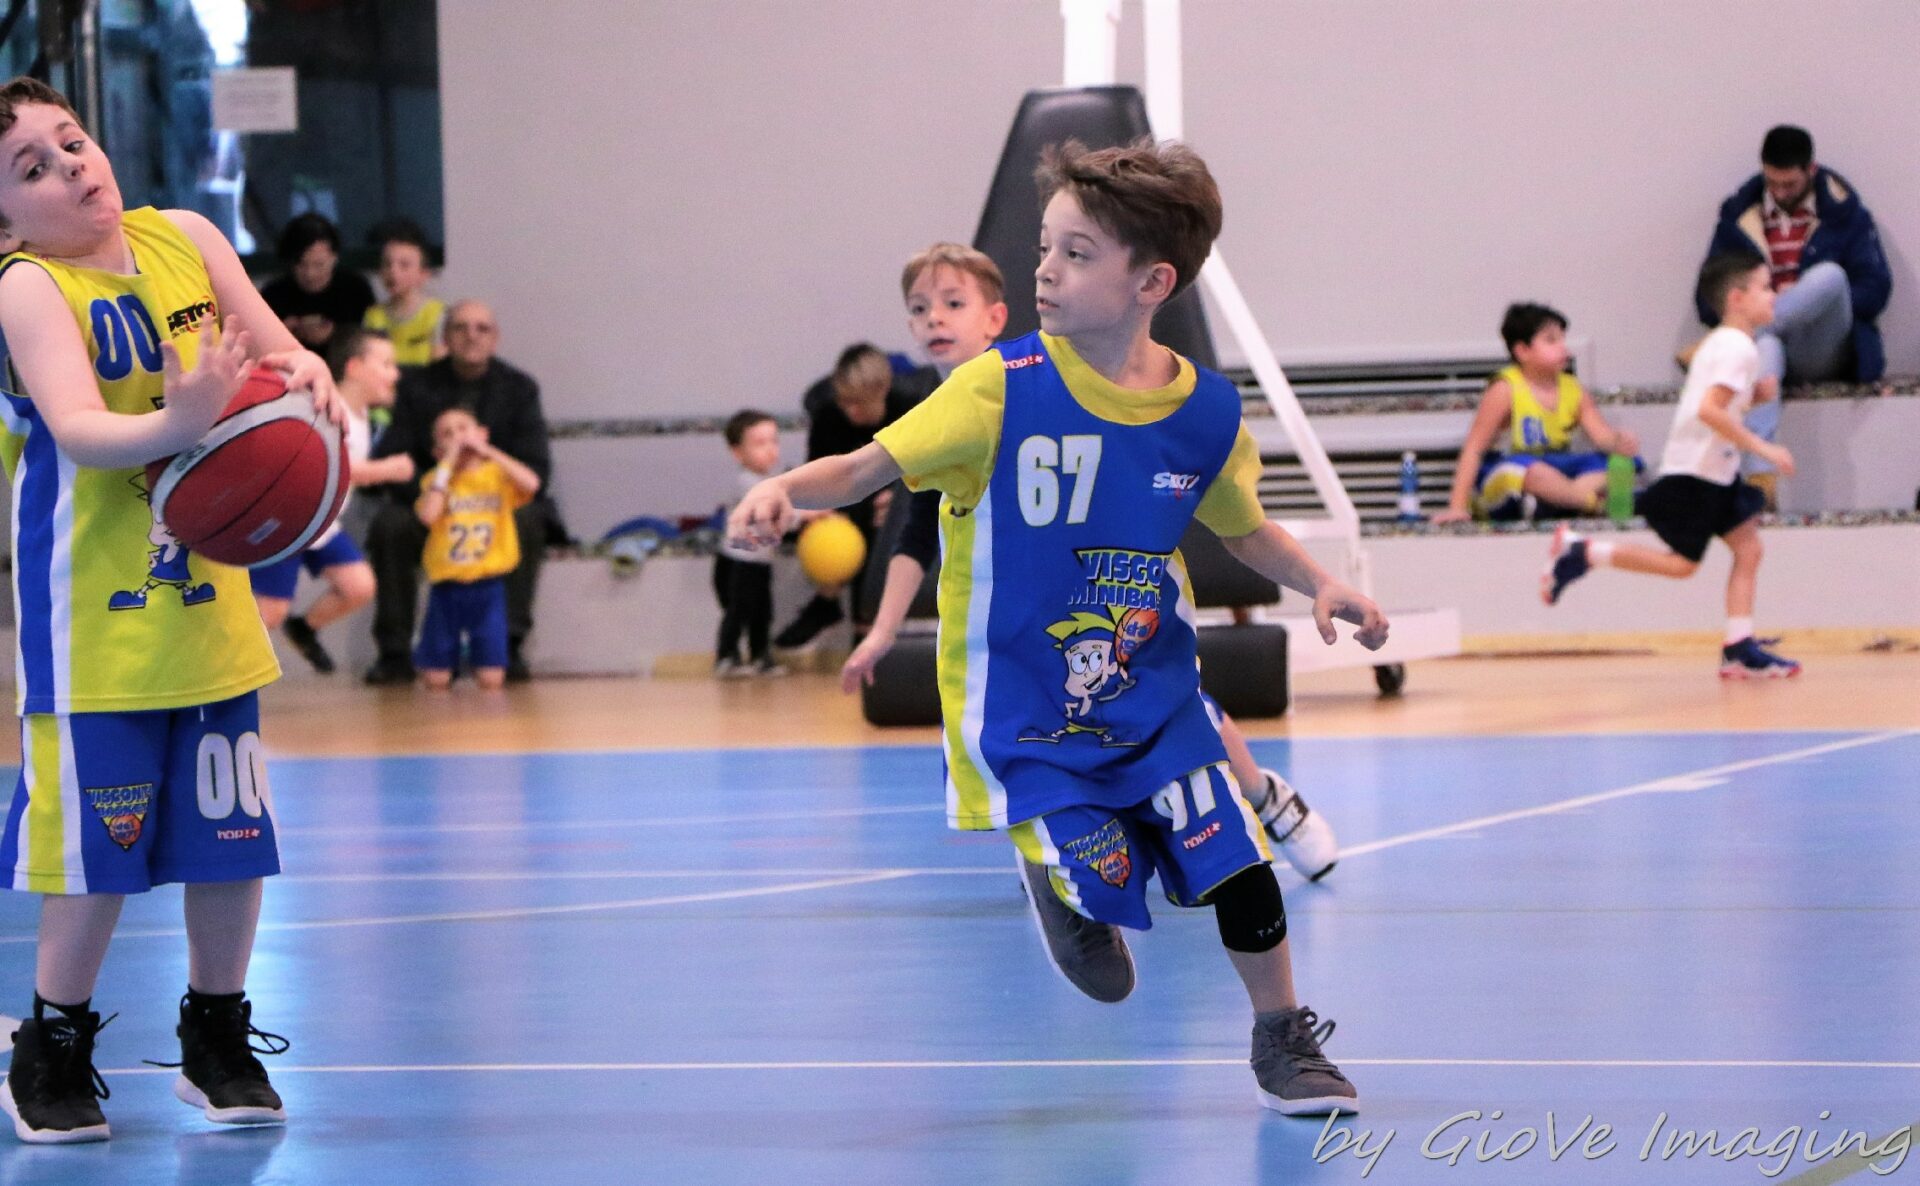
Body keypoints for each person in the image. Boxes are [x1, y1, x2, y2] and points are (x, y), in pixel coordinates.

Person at [733, 139, 1388, 1115]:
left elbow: (1243, 526)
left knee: (1237, 861)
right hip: (1029, 705)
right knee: (1103, 884)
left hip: (1152, 689)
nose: (1044, 269)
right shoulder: (995, 387)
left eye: (1076, 254)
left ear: (1151, 282)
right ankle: (1061, 880)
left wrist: (1321, 581)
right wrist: (784, 488)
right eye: (1046, 247)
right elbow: (866, 468)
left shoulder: (1204, 414)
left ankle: (1282, 1035)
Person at [0, 76, 344, 1142]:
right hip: (92, 626)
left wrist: (311, 376)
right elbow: (77, 426)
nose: (70, 167)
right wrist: (180, 419)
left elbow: (280, 350)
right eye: (31, 168)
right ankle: (51, 1046)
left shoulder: (187, 236)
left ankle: (217, 1035)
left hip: (209, 612)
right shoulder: (27, 287)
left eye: (71, 141)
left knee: (231, 839)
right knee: (93, 860)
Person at [842, 241, 1338, 880]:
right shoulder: (940, 417)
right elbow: (915, 538)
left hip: (1099, 592)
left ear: (995, 317)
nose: (934, 317)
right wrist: (882, 632)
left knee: (1173, 711)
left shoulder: (1035, 385)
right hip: (1025, 629)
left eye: (952, 303)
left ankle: (1264, 797)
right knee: (1040, 737)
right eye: (919, 308)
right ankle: (1067, 861)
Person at [1546, 253, 1800, 679]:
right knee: (1683, 565)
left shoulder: (1722, 342)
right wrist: (1765, 449)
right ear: (1737, 298)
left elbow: (1712, 404)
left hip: (1713, 471)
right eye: (1764, 287)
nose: (1774, 294)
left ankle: (1739, 645)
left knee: (1748, 548)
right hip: (1700, 474)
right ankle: (1584, 551)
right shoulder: (1738, 348)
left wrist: (1753, 397)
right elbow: (1709, 411)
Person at [363, 300, 554, 684]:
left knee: (531, 518)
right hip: (433, 500)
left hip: (495, 505)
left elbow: (536, 469)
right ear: (446, 337)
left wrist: (483, 485)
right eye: (461, 327)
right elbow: (392, 457)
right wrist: (440, 493)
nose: (471, 336)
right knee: (389, 525)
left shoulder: (520, 389)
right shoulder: (415, 386)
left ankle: (508, 645)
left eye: (482, 328)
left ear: (495, 338)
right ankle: (394, 652)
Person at [1699, 125, 1892, 503]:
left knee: (1830, 277)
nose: (1780, 192)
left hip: (1822, 344)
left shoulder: (1845, 214)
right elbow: (1708, 295)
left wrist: (1800, 298)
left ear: (1810, 170)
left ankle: (1733, 339)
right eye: (1772, 183)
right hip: (1768, 349)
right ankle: (1760, 482)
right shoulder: (1739, 217)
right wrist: (1764, 303)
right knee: (1767, 345)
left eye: (1789, 184)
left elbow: (1876, 289)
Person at [250, 328, 414, 673]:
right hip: (289, 522)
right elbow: (331, 466)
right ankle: (224, 672)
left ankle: (304, 629)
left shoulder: (365, 416)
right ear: (354, 368)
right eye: (386, 364)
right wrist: (386, 469)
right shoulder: (324, 405)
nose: (395, 374)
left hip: (321, 524)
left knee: (359, 586)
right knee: (270, 611)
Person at [1433, 303, 1639, 523]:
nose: (1563, 348)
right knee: (1536, 473)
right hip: (1512, 470)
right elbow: (1474, 448)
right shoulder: (1505, 388)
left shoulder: (1573, 388)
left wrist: (1618, 441)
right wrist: (1457, 506)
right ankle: (1591, 503)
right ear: (1523, 351)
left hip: (1557, 468)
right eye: (1551, 340)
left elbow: (1601, 435)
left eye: (1563, 340)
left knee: (1626, 464)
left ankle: (1558, 500)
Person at [772, 343, 917, 649]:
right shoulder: (828, 416)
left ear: (882, 389)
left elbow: (928, 467)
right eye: (845, 402)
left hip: (893, 506)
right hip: (845, 505)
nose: (851, 411)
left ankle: (831, 603)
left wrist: (899, 496)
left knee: (880, 521)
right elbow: (816, 474)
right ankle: (848, 614)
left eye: (859, 403)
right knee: (844, 515)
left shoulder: (909, 410)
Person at [413, 405, 542, 691]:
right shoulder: (436, 481)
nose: (457, 437)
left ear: (482, 434)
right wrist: (447, 464)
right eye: (447, 434)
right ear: (437, 450)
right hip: (447, 586)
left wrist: (489, 451)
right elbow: (428, 515)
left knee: (491, 678)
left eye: (463, 428)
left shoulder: (498, 476)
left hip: (488, 586)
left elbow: (532, 483)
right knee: (436, 679)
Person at [714, 410, 788, 678]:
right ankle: (726, 656)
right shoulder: (746, 483)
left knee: (762, 612)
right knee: (738, 611)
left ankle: (760, 655)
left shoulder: (768, 482)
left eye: (774, 441)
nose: (770, 449)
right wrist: (810, 514)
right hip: (738, 563)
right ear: (738, 453)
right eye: (759, 443)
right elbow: (777, 509)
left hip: (758, 562)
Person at [257, 211, 375, 354]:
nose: (310, 274)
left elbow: (371, 341)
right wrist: (282, 332)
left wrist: (336, 335)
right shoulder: (273, 294)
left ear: (334, 257)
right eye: (301, 264)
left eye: (319, 265)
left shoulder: (355, 289)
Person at [362, 217, 446, 371]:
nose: (393, 272)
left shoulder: (438, 314)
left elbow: (441, 370)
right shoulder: (373, 317)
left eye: (404, 265)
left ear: (423, 274)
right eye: (387, 264)